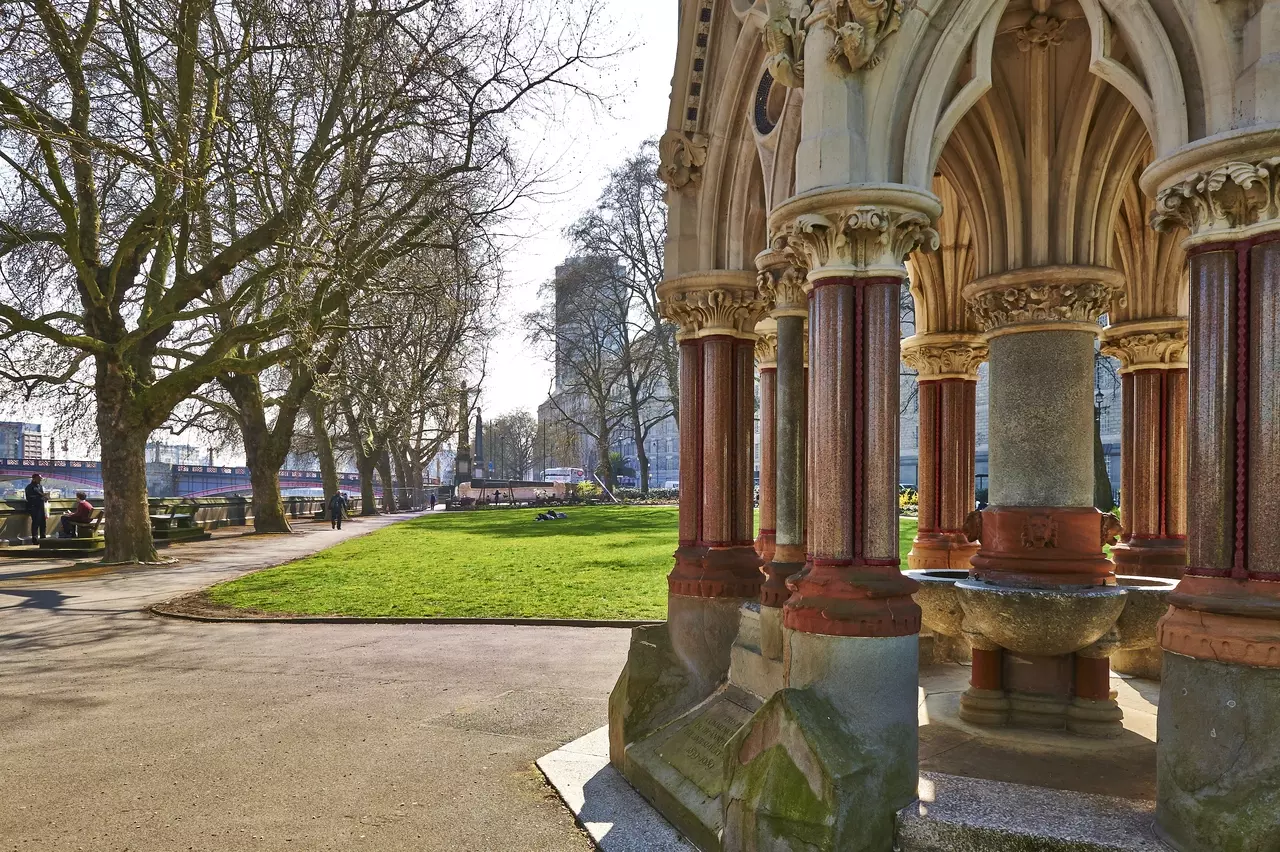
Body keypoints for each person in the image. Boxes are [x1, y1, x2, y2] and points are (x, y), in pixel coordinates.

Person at [24, 473, 47, 541]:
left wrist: (45, 498)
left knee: (43, 523)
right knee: (36, 523)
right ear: (34, 479)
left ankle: (43, 538)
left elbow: (41, 495)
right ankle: (35, 539)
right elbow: (29, 498)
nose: (40, 480)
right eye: (39, 478)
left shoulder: (40, 486)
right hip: (34, 507)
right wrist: (41, 497)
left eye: (40, 479)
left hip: (41, 507)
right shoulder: (29, 487)